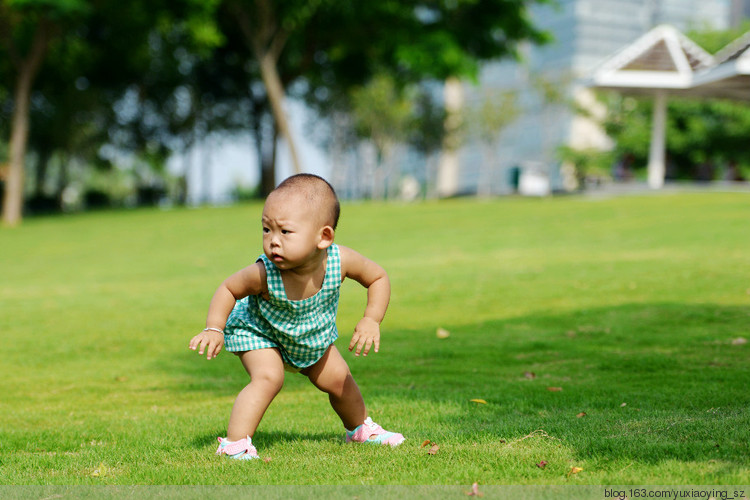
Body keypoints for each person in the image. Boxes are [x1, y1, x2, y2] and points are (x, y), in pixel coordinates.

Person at [188, 173, 405, 460]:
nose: (273, 242)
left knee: (340, 379)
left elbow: (377, 277)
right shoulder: (264, 273)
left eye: (285, 232)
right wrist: (214, 328)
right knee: (269, 377)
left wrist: (371, 319)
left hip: (309, 336)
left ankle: (360, 429)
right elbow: (229, 288)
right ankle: (234, 444)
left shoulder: (341, 261)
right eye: (267, 230)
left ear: (323, 237)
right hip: (259, 332)